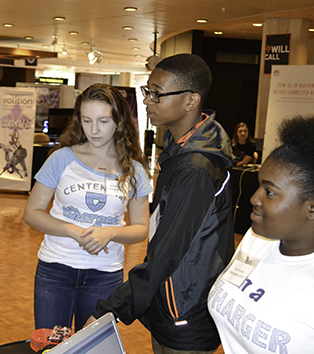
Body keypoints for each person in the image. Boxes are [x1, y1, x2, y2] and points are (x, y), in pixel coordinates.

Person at [87, 54, 235, 353]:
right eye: (147, 91)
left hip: (186, 304)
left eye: (157, 94)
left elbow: (168, 251)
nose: (147, 101)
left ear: (191, 101)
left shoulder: (196, 166)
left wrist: (110, 310)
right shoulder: (182, 148)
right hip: (171, 295)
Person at [24, 83, 152, 332]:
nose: (94, 130)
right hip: (55, 269)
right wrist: (71, 229)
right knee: (50, 347)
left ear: (119, 121)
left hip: (104, 274)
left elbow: (140, 229)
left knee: (91, 347)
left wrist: (111, 233)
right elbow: (32, 213)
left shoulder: (135, 170)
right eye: (86, 120)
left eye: (103, 121)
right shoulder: (61, 159)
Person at [208, 116, 314, 353]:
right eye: (258, 186)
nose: (254, 198)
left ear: (312, 209)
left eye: (270, 191)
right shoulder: (256, 240)